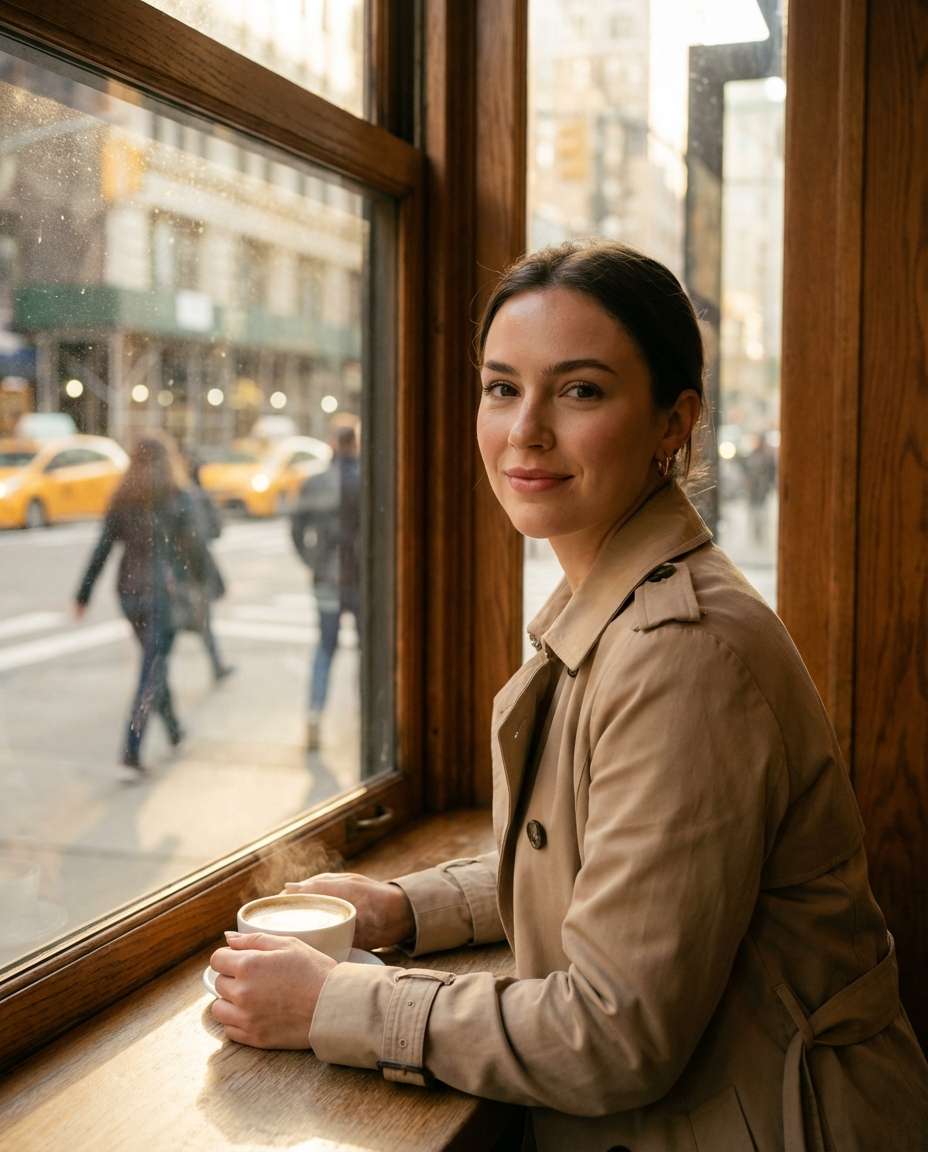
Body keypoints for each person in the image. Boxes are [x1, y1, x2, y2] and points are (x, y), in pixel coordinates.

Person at [209, 242, 928, 1150]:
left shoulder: (685, 653)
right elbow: (605, 860)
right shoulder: (618, 602)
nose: (525, 431)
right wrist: (405, 909)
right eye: (502, 387)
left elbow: (614, 1034)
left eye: (581, 390)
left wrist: (337, 1003)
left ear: (675, 421)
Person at [75, 433, 208, 776]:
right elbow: (195, 549)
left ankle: (176, 730)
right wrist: (207, 587)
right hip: (162, 596)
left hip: (128, 594)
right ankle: (131, 751)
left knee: (155, 664)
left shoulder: (123, 496)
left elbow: (102, 548)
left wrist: (83, 595)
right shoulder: (176, 495)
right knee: (152, 670)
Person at [289, 418, 360, 751]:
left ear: (332, 443)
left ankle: (315, 713)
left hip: (327, 579)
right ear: (354, 444)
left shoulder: (316, 482)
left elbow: (296, 529)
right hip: (362, 580)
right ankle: (367, 715)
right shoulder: (367, 480)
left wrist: (312, 562)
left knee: (325, 647)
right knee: (367, 650)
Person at [186, 455, 234, 683]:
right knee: (203, 622)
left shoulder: (172, 496)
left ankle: (217, 666)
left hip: (175, 570)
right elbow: (215, 530)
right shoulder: (198, 497)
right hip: (196, 570)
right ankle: (216, 665)